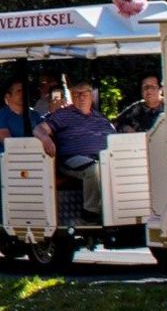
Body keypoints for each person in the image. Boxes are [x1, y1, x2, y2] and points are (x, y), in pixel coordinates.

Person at [35, 83, 116, 217]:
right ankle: (90, 214)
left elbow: (115, 138)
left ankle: (119, 212)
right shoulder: (63, 114)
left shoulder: (101, 118)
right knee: (94, 169)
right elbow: (39, 129)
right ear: (72, 96)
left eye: (85, 94)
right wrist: (45, 139)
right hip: (72, 159)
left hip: (102, 159)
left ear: (92, 97)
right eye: (76, 94)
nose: (81, 97)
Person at [0, 78, 32, 154]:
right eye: (19, 91)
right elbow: (10, 144)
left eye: (25, 91)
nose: (23, 94)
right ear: (8, 96)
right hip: (11, 159)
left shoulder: (35, 115)